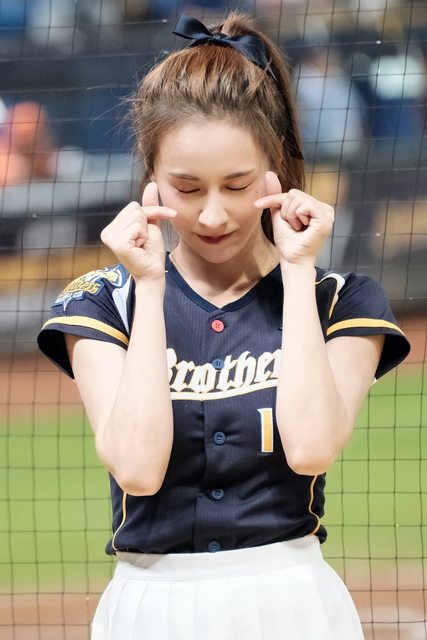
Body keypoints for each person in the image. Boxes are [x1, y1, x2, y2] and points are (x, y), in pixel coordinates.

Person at [37, 13, 410, 640]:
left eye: (238, 186)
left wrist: (297, 271)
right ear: (151, 181)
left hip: (293, 603)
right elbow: (137, 468)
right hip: (149, 607)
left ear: (275, 169)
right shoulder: (104, 301)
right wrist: (150, 286)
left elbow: (312, 447)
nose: (213, 215)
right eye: (186, 189)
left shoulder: (341, 300)